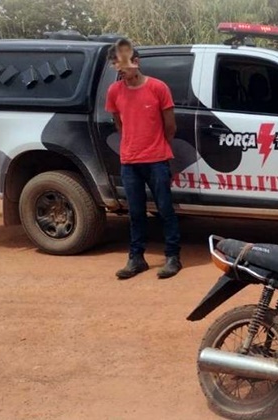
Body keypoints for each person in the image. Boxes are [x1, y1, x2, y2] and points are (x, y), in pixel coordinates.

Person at [105, 38, 182, 280]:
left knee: (165, 209)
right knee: (135, 212)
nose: (120, 69)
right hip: (129, 162)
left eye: (124, 64)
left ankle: (172, 257)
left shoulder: (158, 88)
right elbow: (119, 123)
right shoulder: (114, 91)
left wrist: (156, 146)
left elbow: (171, 126)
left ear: (136, 62)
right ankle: (136, 258)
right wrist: (132, 145)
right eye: (116, 65)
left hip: (157, 160)